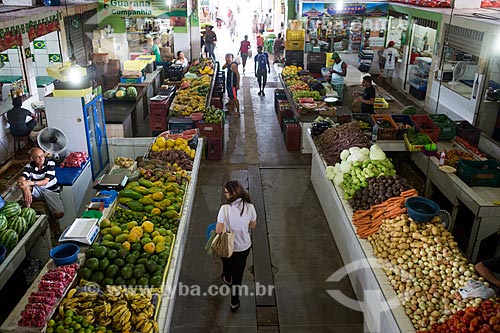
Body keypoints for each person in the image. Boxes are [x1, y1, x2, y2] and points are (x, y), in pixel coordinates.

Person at [216, 180, 257, 311]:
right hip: (244, 247)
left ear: (233, 194)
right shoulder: (250, 207)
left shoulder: (225, 209)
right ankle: (235, 302)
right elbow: (253, 225)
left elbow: (218, 230)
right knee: (238, 275)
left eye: (226, 193)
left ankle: (227, 276)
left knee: (226, 261)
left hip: (228, 246)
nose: (225, 195)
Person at [18, 148, 64, 220]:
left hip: (50, 191)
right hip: (37, 190)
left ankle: (52, 222)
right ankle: (27, 209)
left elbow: (45, 181)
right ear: (32, 158)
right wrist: (26, 188)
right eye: (38, 157)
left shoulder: (50, 164)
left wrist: (30, 183)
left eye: (42, 156)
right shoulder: (29, 166)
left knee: (59, 213)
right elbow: (22, 178)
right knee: (25, 186)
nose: (41, 158)